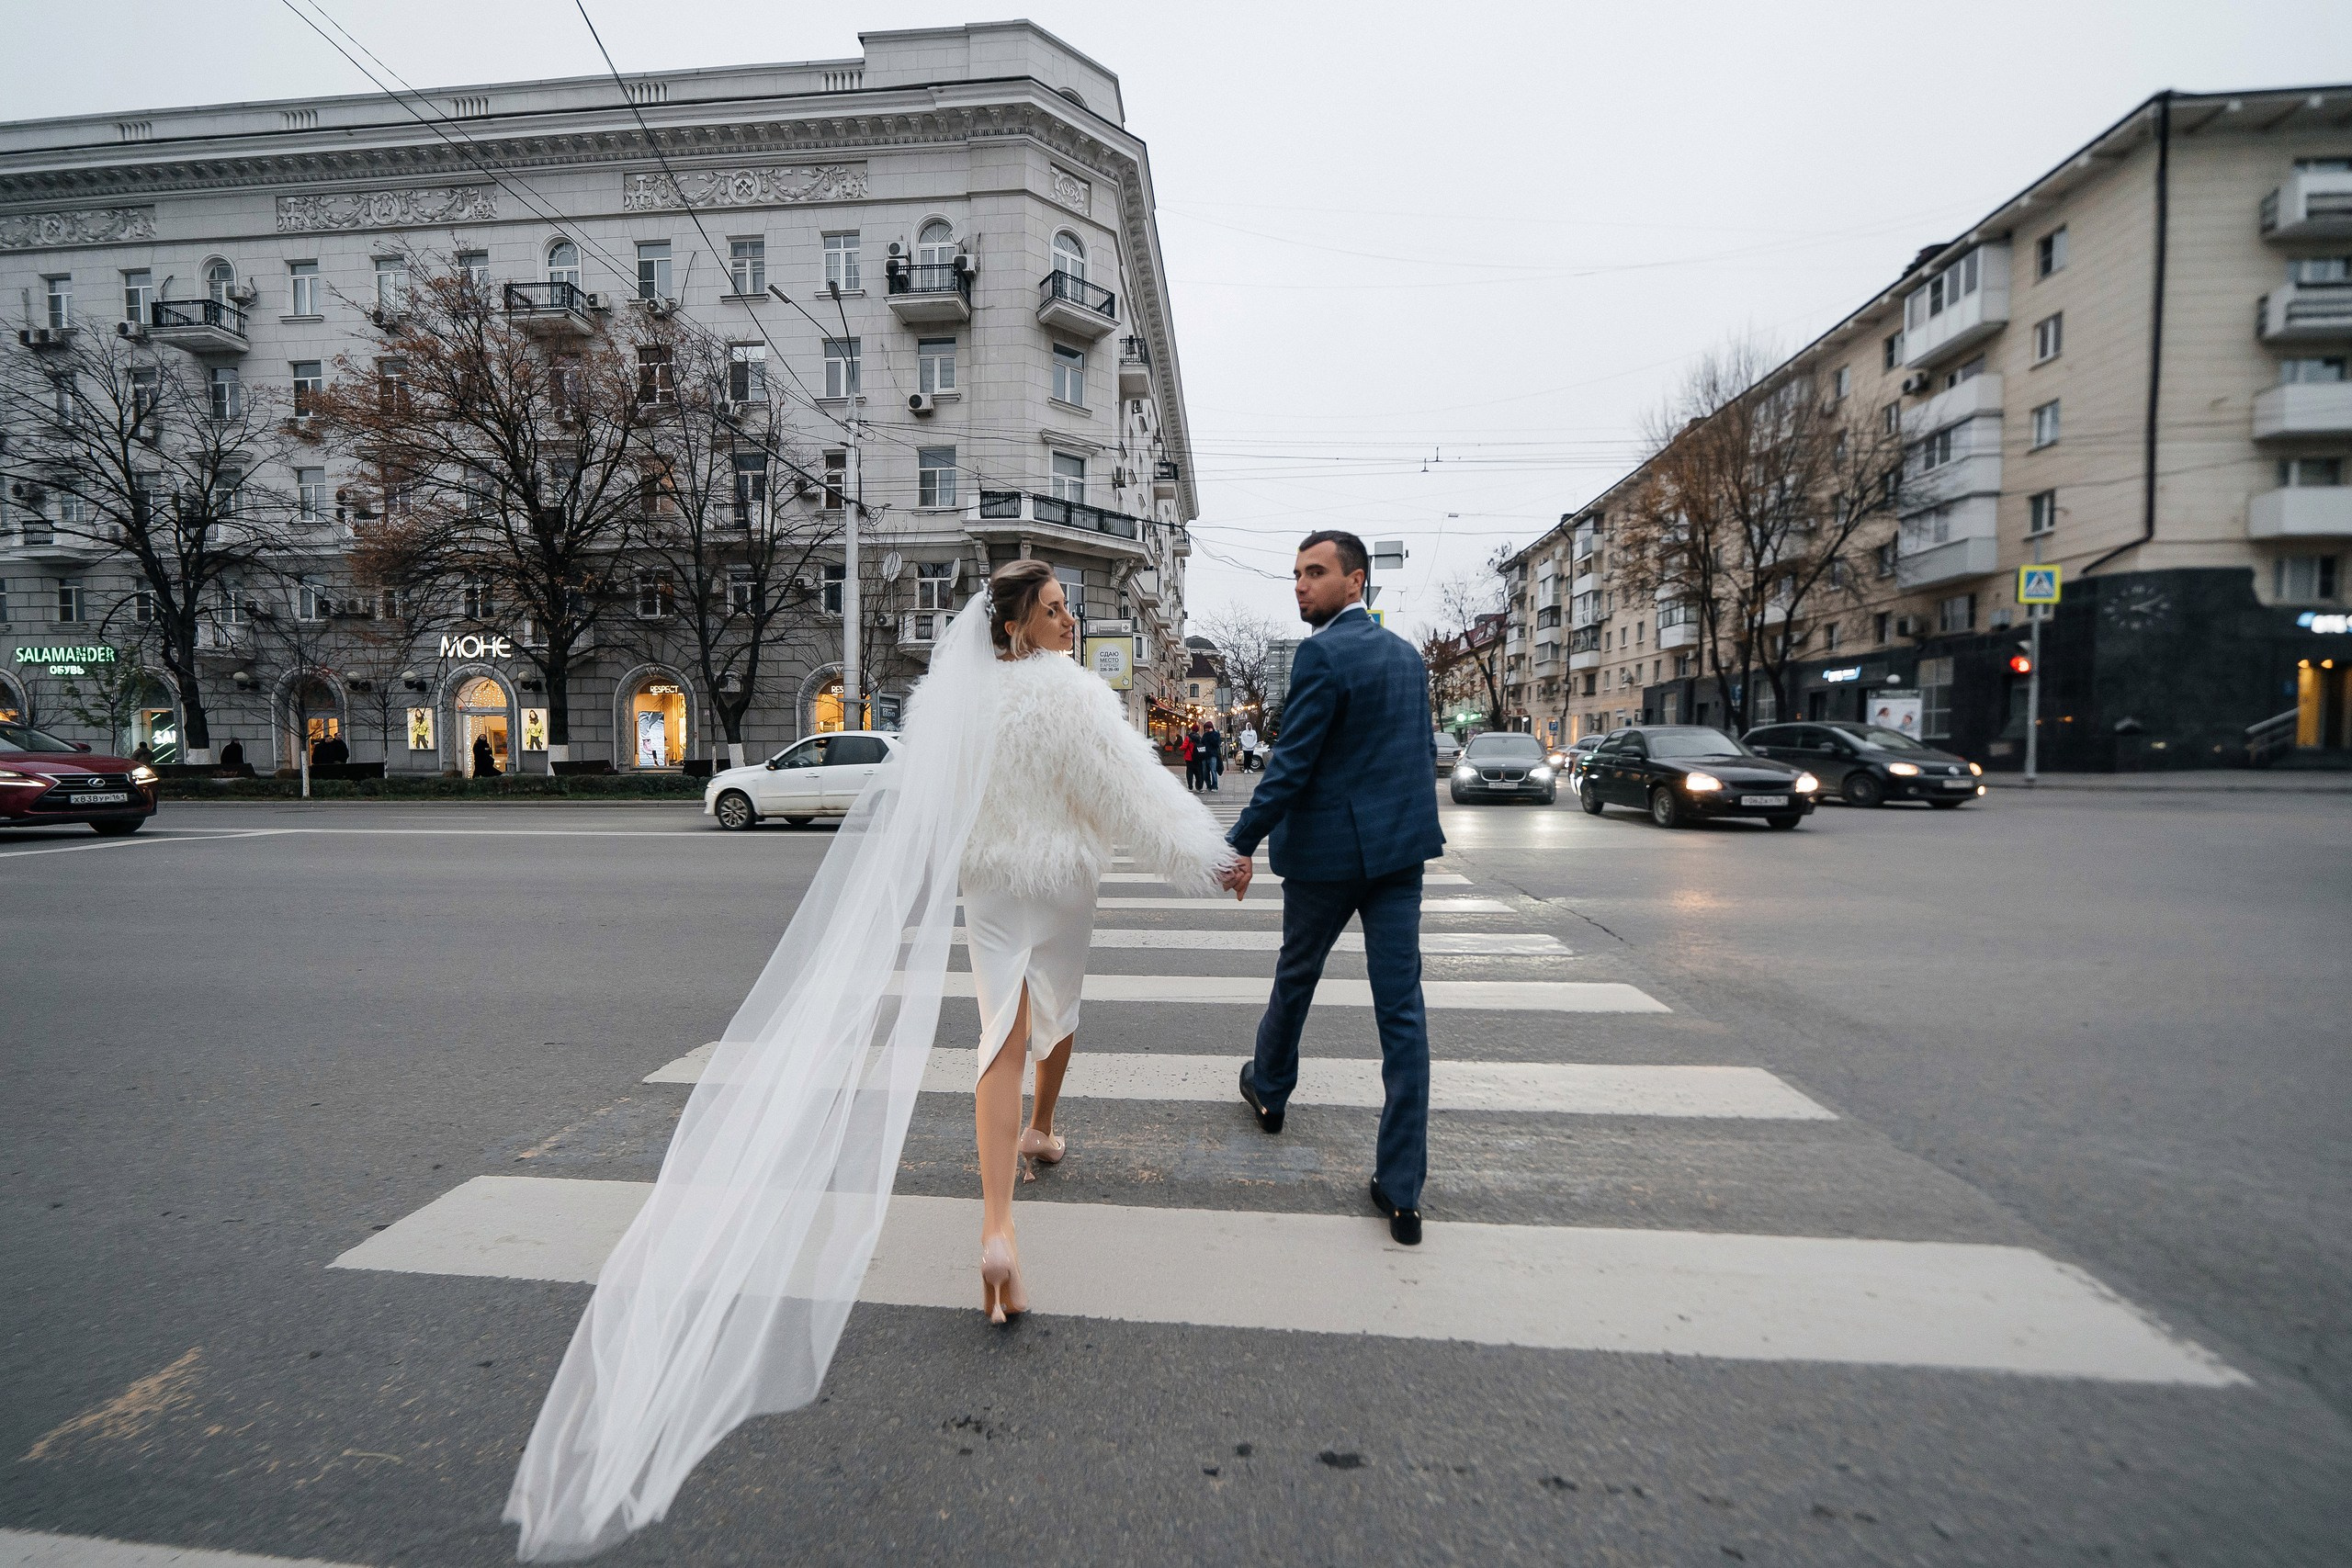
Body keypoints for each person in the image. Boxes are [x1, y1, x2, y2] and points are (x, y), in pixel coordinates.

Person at [504, 563, 1240, 1562]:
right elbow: (1134, 797)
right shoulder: (1071, 696)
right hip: (1061, 880)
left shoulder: (950, 704)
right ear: (1019, 630)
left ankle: (995, 1227)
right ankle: (1044, 1128)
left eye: (1068, 605)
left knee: (996, 1035)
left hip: (986, 885)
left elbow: (929, 809)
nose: (1071, 617)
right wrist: (1211, 858)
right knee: (1058, 1007)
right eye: (1056, 608)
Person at [1225, 529, 1444, 1247]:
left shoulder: (1322, 653)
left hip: (1324, 858)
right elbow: (1414, 763)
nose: (1300, 585)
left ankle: (1271, 1089)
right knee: (1402, 1014)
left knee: (1296, 977)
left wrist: (1238, 843)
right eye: (1295, 573)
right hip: (1396, 861)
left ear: (1356, 582)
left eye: (1315, 573)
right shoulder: (1409, 658)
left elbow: (1289, 767)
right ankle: (1402, 1189)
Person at [1200, 720, 1224, 792]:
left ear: (1211, 728)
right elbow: (1202, 743)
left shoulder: (1215, 734)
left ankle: (1215, 786)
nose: (1206, 729)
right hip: (1205, 755)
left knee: (1213, 770)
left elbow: (1216, 744)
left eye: (1208, 728)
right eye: (1205, 728)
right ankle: (1208, 785)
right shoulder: (1205, 735)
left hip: (1213, 755)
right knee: (1205, 772)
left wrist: (1211, 734)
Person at [1181, 725, 1201, 790]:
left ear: (1192, 729)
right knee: (1197, 772)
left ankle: (1190, 786)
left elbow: (1184, 747)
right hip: (1197, 757)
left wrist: (1179, 748)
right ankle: (1199, 786)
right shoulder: (1199, 738)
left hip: (1189, 757)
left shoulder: (1188, 738)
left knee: (1189, 772)